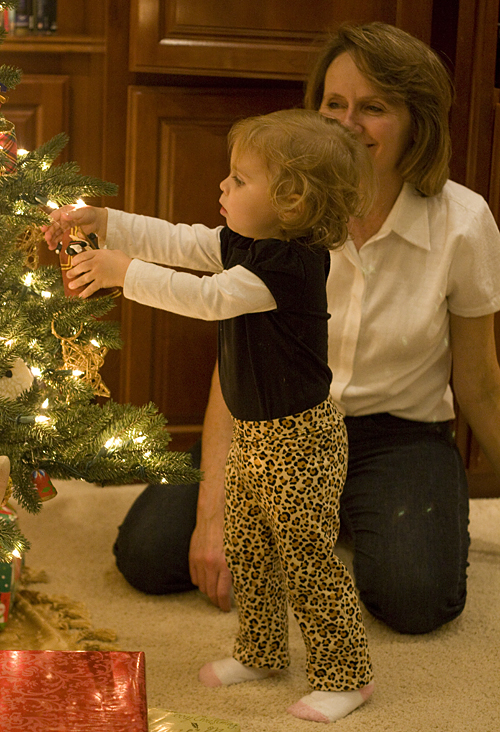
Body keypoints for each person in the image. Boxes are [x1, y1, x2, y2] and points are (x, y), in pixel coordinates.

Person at [108, 21, 500, 638]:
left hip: (396, 438)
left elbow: (479, 381)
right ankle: (311, 516)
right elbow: (233, 353)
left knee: (417, 601)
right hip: (271, 423)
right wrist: (213, 507)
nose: (346, 124)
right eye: (333, 104)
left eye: (373, 108)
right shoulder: (278, 212)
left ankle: (336, 514)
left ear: (416, 122)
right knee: (150, 555)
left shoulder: (464, 222)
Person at [43, 108, 376, 723]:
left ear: (293, 201)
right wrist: (107, 221)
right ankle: (261, 649)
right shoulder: (248, 243)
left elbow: (207, 299)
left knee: (305, 556)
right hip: (252, 432)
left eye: (239, 180)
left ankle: (346, 673)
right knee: (248, 545)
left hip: (301, 441)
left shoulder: (290, 267)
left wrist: (124, 273)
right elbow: (181, 240)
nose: (222, 188)